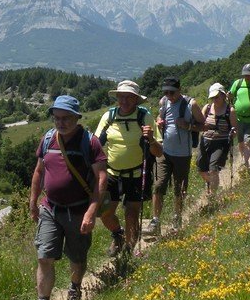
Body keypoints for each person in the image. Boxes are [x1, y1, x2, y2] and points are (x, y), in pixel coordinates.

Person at [25, 95, 107, 300]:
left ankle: (74, 289)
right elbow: (39, 172)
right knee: (44, 256)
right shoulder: (48, 139)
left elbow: (101, 178)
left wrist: (91, 211)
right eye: (57, 118)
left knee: (77, 256)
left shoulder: (89, 143)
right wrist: (32, 203)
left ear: (76, 118)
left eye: (66, 118)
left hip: (79, 209)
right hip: (50, 208)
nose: (61, 123)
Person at [95, 80, 163, 254]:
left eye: (129, 97)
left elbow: (158, 152)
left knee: (131, 214)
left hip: (137, 174)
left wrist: (151, 139)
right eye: (121, 97)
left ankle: (128, 252)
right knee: (105, 213)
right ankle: (118, 234)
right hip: (111, 174)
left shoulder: (144, 116)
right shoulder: (109, 116)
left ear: (136, 99)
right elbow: (95, 146)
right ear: (117, 97)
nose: (124, 101)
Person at [146, 77, 203, 236]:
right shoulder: (163, 102)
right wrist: (159, 120)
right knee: (158, 185)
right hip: (164, 152)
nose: (169, 95)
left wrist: (188, 126)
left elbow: (203, 125)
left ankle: (177, 217)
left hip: (183, 155)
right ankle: (155, 221)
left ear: (180, 89)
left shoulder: (191, 105)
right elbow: (160, 116)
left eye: (172, 92)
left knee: (179, 188)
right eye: (166, 92)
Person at [196, 83, 238, 193]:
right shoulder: (207, 108)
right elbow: (200, 123)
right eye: (212, 97)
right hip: (205, 142)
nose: (214, 99)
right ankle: (212, 183)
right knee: (201, 169)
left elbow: (235, 129)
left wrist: (233, 132)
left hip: (221, 143)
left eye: (216, 97)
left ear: (223, 95)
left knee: (213, 169)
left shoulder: (230, 111)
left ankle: (212, 197)